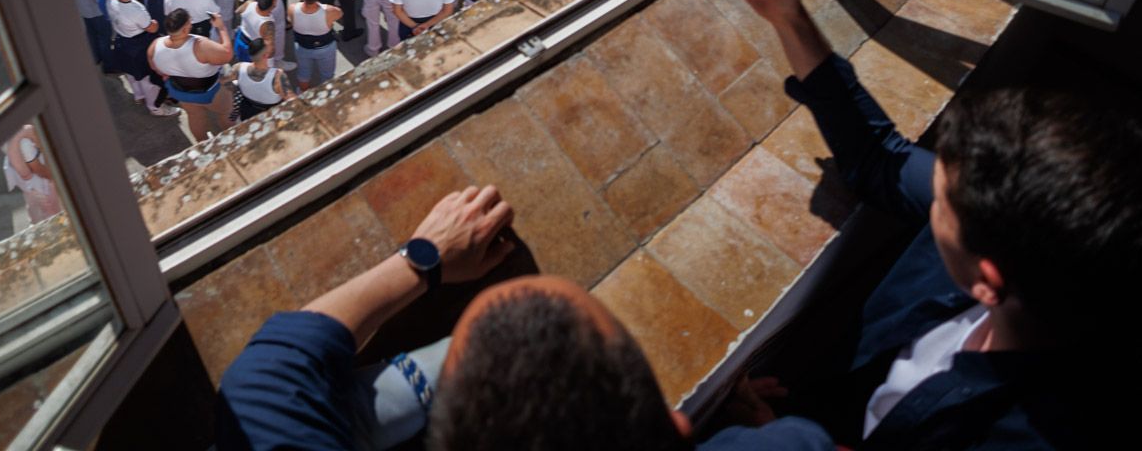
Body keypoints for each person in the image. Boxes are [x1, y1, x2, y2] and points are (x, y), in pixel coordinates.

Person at [706, 0, 1142, 451]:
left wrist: (791, 440)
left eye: (943, 203)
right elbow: (881, 159)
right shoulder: (1031, 247)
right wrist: (788, 17)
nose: (932, 185)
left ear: (987, 281)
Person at [216, 186, 833, 451]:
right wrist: (757, 429)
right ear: (676, 425)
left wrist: (423, 260)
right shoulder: (795, 444)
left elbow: (261, 379)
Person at [148, 8, 232, 141]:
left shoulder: (154, 46)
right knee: (227, 110)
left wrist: (171, 72)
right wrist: (221, 27)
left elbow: (155, 68)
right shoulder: (200, 45)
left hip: (181, 92)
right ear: (184, 30)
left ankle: (202, 143)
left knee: (194, 116)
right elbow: (227, 55)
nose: (191, 25)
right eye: (189, 23)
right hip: (210, 91)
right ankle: (232, 136)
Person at [104, 0, 168, 114]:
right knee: (147, 80)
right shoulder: (134, 10)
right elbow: (152, 28)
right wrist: (155, 24)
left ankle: (139, 96)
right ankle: (155, 108)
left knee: (131, 74)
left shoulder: (110, 0)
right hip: (139, 46)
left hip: (122, 42)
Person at [4, 123, 65, 226]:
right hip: (41, 189)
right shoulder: (24, 142)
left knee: (43, 214)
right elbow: (28, 173)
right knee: (49, 214)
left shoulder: (19, 138)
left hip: (38, 189)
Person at [288, 0, 344, 91]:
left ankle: (302, 93)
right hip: (325, 47)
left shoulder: (292, 8)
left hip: (302, 47)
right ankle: (326, 93)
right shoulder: (329, 11)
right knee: (327, 75)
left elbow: (291, 21)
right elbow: (340, 13)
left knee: (303, 73)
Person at [233, 30, 291, 120]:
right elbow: (291, 100)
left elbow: (224, 81)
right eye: (270, 46)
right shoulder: (278, 76)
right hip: (271, 114)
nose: (272, 45)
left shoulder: (238, 68)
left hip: (247, 111)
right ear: (265, 55)